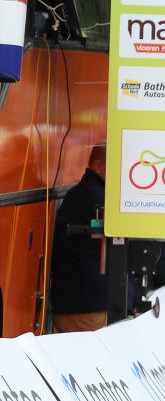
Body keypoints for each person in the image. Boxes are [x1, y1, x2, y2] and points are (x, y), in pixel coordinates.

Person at [50, 143, 108, 333]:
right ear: (98, 166)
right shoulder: (97, 199)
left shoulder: (80, 194)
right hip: (87, 307)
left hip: (75, 302)